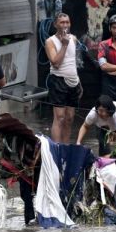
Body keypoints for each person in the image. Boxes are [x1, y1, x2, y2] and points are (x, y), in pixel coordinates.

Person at [45, 12, 82, 143]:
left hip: (73, 81)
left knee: (70, 117)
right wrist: (64, 45)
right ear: (56, 24)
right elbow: (56, 63)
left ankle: (65, 146)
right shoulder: (50, 41)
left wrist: (78, 82)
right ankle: (57, 147)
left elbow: (73, 61)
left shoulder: (74, 38)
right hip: (58, 80)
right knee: (59, 117)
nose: (65, 25)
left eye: (67, 22)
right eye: (62, 22)